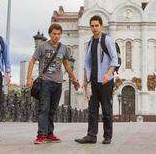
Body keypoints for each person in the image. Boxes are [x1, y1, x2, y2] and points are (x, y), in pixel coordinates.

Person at [26, 23, 80, 144]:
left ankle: (50, 134)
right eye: (54, 34)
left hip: (58, 83)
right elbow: (32, 61)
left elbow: (67, 64)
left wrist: (74, 79)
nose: (56, 36)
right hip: (45, 82)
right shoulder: (42, 47)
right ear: (50, 34)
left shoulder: (63, 48)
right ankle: (41, 135)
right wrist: (29, 78)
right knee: (43, 109)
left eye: (58, 34)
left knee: (52, 110)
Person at [75, 15, 119, 145]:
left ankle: (107, 136)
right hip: (93, 81)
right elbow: (87, 63)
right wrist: (85, 81)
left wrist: (108, 74)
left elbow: (114, 59)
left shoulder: (107, 40)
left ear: (101, 26)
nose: (94, 28)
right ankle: (91, 135)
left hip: (105, 81)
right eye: (92, 26)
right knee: (92, 110)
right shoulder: (90, 42)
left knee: (106, 109)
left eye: (96, 25)